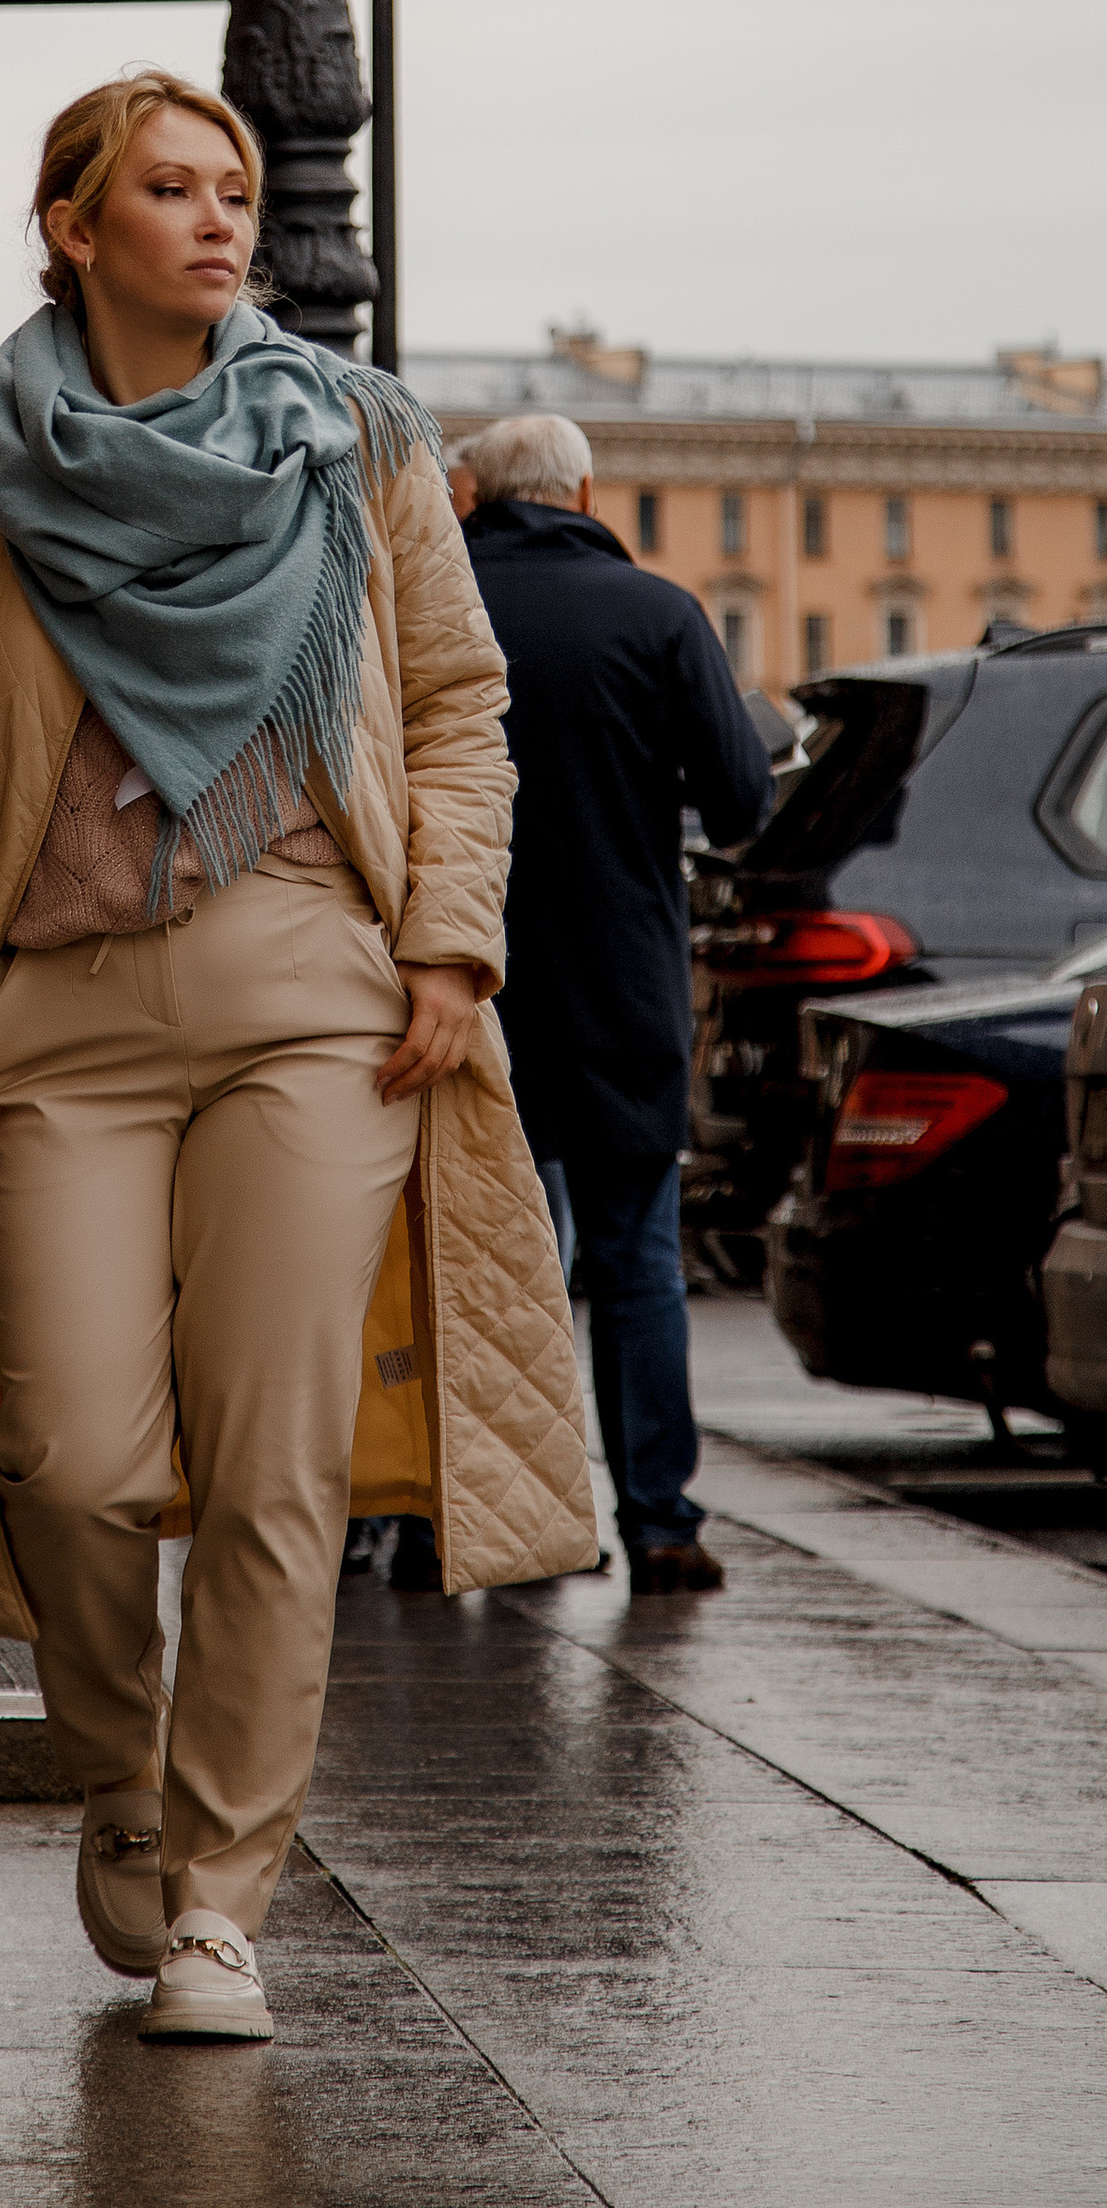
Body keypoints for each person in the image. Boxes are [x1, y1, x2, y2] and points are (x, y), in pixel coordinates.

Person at [0, 76, 594, 2044]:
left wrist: (448, 939)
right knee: (72, 1461)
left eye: (236, 192)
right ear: (71, 227)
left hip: (312, 994)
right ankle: (121, 1780)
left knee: (277, 1460)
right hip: (55, 1019)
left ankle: (218, 1903)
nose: (216, 222)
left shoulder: (357, 445)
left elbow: (456, 706)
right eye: (169, 189)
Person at [462, 412, 774, 1593]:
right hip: (620, 985)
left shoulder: (433, 605)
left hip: (462, 981)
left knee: (493, 1263)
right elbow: (740, 800)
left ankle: (491, 1520)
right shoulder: (658, 615)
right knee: (638, 1260)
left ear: (479, 497)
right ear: (585, 494)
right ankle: (659, 1522)